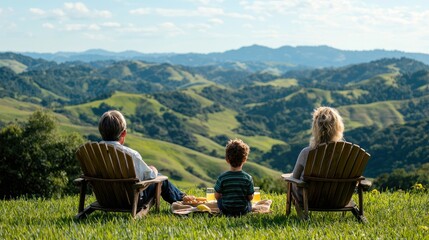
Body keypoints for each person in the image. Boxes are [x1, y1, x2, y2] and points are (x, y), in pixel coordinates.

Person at [98, 110, 185, 205]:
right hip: (131, 200)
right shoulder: (130, 154)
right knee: (162, 179)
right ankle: (183, 200)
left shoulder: (93, 153)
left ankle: (181, 197)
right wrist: (153, 170)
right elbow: (148, 176)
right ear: (123, 133)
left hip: (105, 199)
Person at [291, 106, 345, 202]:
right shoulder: (346, 153)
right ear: (338, 127)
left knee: (291, 181)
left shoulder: (306, 153)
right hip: (338, 199)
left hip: (309, 199)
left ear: (315, 128)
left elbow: (294, 178)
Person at [214, 139, 254, 216]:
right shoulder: (248, 178)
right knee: (248, 202)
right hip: (243, 211)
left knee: (220, 200)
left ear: (227, 160)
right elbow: (250, 197)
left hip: (225, 210)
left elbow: (217, 196)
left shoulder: (222, 177)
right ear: (245, 159)